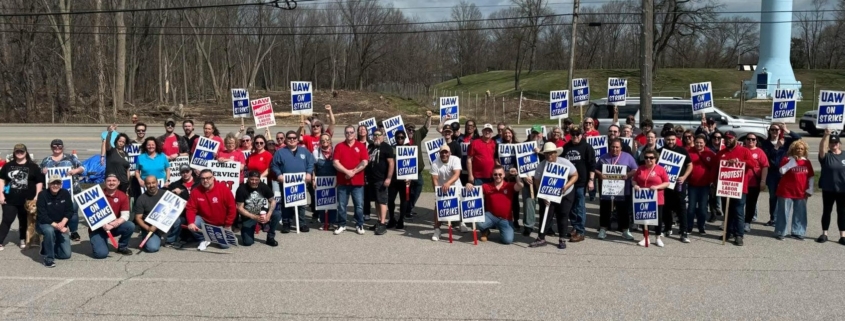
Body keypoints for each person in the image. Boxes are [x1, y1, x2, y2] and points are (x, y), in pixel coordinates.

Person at [527, 142, 578, 249]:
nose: (549, 155)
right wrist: (542, 196)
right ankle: (541, 238)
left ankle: (562, 239)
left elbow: (575, 175)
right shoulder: (541, 166)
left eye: (551, 153)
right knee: (546, 215)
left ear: (556, 153)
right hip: (548, 195)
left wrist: (566, 186)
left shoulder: (564, 162)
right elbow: (537, 181)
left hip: (566, 193)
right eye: (546, 153)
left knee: (563, 215)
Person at [716, 131, 757, 246]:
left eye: (730, 138)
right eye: (726, 138)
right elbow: (715, 168)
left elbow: (753, 164)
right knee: (727, 211)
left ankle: (739, 235)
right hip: (725, 187)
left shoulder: (744, 151)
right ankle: (728, 232)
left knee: (738, 212)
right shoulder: (721, 153)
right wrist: (714, 182)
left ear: (735, 138)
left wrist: (739, 161)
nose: (728, 140)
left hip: (739, 188)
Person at [0, 144, 43, 250]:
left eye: (22, 151)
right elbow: (1, 179)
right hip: (10, 199)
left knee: (24, 219)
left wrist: (37, 195)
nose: (19, 153)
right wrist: (0, 194)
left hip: (27, 200)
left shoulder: (33, 167)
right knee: (7, 219)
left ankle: (23, 239)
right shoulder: (8, 166)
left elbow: (39, 182)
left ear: (26, 153)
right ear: (14, 153)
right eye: (17, 151)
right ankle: (0, 241)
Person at [40, 138, 84, 242]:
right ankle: (56, 228)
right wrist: (43, 171)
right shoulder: (46, 160)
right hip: (53, 192)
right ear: (51, 147)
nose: (57, 148)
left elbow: (82, 168)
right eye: (54, 146)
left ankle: (74, 231)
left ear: (62, 147)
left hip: (71, 190)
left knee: (73, 211)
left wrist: (74, 171)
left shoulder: (70, 158)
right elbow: (39, 171)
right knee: (54, 211)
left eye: (59, 146)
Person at [271, 130, 314, 233]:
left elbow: (311, 163)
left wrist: (309, 173)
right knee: (286, 204)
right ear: (286, 140)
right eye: (289, 138)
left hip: (301, 182)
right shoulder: (280, 152)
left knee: (301, 203)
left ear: (297, 139)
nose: (292, 140)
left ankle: (302, 223)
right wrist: (279, 174)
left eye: (294, 138)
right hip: (286, 182)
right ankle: (286, 224)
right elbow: (274, 165)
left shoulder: (304, 151)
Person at [595, 139, 638, 240]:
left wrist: (628, 174)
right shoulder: (603, 157)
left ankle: (625, 230)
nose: (614, 149)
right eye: (613, 147)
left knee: (623, 211)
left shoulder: (628, 157)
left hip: (623, 189)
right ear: (610, 147)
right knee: (605, 209)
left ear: (621, 148)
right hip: (607, 189)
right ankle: (603, 229)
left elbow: (635, 169)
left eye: (617, 147)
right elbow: (595, 168)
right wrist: (600, 174)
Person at [759, 123, 801, 226]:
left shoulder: (786, 141)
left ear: (780, 131)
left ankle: (781, 218)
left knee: (783, 197)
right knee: (773, 196)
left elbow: (798, 138)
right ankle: (773, 218)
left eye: (777, 130)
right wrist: (777, 147)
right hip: (772, 173)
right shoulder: (765, 143)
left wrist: (786, 130)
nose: (774, 132)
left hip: (784, 172)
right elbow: (767, 157)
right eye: (772, 130)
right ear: (769, 131)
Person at [187, 169, 237, 251]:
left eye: (208, 178)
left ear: (213, 178)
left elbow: (232, 208)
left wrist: (228, 225)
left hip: (222, 224)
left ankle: (222, 235)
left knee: (225, 246)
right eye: (203, 178)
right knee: (194, 222)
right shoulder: (196, 191)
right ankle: (203, 239)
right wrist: (191, 222)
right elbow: (191, 208)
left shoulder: (224, 190)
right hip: (205, 221)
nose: (205, 180)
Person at [656, 130, 693, 243]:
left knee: (681, 208)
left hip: (679, 184)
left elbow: (690, 165)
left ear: (676, 139)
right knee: (666, 206)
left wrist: (684, 177)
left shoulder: (682, 150)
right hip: (665, 184)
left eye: (672, 139)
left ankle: (684, 232)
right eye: (668, 140)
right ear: (664, 140)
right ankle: (667, 228)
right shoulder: (659, 151)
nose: (671, 142)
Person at [472, 166, 524, 244]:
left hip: (505, 219)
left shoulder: (509, 185)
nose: (498, 176)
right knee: (479, 222)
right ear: (492, 175)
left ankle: (503, 231)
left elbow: (520, 185)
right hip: (491, 216)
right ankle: (485, 231)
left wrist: (516, 175)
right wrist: (468, 185)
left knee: (507, 240)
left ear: (504, 175)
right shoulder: (486, 186)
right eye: (495, 174)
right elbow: (474, 191)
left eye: (500, 174)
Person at [332, 125, 369, 235]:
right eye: (347, 132)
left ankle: (359, 224)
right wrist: (346, 172)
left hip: (357, 182)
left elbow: (365, 162)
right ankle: (342, 224)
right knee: (342, 206)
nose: (349, 134)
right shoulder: (339, 146)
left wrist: (353, 172)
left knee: (359, 205)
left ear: (354, 133)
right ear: (345, 134)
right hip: (343, 182)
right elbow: (335, 162)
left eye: (351, 132)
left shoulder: (360, 146)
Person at [774, 140, 813, 241]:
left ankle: (798, 232)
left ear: (804, 150)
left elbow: (811, 177)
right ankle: (781, 232)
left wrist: (810, 189)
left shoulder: (806, 162)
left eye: (801, 149)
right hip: (786, 190)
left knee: (800, 213)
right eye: (797, 149)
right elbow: (781, 171)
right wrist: (792, 162)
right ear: (793, 150)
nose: (799, 150)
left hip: (801, 191)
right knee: (783, 212)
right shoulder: (787, 159)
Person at [632, 149, 670, 247]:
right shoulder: (640, 168)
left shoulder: (661, 169)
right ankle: (646, 238)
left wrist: (657, 187)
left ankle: (658, 237)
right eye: (646, 158)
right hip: (643, 197)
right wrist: (635, 185)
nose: (649, 160)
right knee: (645, 218)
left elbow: (667, 182)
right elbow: (634, 180)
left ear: (656, 159)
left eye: (651, 158)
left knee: (658, 218)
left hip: (657, 197)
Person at [90, 174, 135, 258]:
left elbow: (125, 215)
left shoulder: (123, 196)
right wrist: (102, 224)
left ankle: (122, 247)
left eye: (114, 181)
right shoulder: (96, 195)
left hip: (113, 227)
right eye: (109, 180)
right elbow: (89, 214)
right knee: (101, 254)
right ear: (104, 182)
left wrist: (113, 224)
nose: (111, 183)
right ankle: (100, 242)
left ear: (118, 183)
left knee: (130, 225)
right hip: (98, 229)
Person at [562, 128, 594, 242]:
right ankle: (575, 227)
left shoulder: (587, 147)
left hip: (581, 182)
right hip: (569, 182)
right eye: (573, 134)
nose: (575, 136)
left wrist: (591, 180)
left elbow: (592, 165)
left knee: (580, 207)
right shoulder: (566, 147)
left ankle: (580, 232)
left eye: (577, 134)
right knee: (570, 207)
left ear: (581, 135)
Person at [134, 176, 181, 252]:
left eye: (153, 183)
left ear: (157, 183)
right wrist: (147, 228)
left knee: (177, 220)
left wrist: (178, 194)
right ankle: (147, 236)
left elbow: (176, 206)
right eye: (148, 183)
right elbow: (138, 218)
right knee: (152, 248)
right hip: (150, 227)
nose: (151, 185)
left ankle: (169, 240)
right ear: (145, 185)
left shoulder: (165, 194)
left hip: (163, 222)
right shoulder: (141, 199)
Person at [36, 175, 74, 267]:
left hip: (60, 224)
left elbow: (70, 211)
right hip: (46, 223)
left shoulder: (65, 193)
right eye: (53, 183)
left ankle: (47, 246)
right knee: (49, 231)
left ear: (61, 184)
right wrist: (58, 226)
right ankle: (49, 258)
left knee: (66, 255)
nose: (55, 185)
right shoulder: (42, 195)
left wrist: (63, 223)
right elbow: (42, 215)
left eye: (58, 183)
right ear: (49, 184)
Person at [429, 144, 462, 241]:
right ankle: (437, 229)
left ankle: (461, 222)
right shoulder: (435, 163)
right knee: (438, 206)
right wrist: (437, 191)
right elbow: (434, 179)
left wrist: (448, 183)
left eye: (446, 152)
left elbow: (457, 174)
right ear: (439, 153)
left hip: (455, 187)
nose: (444, 154)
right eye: (442, 152)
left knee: (460, 206)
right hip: (442, 188)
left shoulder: (455, 159)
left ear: (450, 153)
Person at [817, 129, 845, 245]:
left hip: (842, 189)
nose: (834, 144)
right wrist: (825, 135)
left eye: (836, 142)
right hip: (828, 188)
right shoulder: (826, 156)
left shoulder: (844, 155)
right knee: (827, 211)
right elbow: (821, 149)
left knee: (842, 212)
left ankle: (842, 236)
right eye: (832, 143)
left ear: (839, 143)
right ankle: (824, 233)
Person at [236, 171, 279, 246]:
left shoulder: (263, 186)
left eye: (256, 180)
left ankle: (270, 237)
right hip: (249, 215)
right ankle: (248, 229)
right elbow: (240, 208)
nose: (254, 182)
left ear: (259, 180)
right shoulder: (241, 189)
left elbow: (273, 201)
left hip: (262, 212)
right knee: (248, 242)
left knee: (277, 214)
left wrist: (269, 214)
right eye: (252, 179)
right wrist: (254, 217)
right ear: (248, 179)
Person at [365, 129, 394, 234]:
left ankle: (383, 223)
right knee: (376, 201)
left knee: (382, 201)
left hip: (381, 179)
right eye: (375, 135)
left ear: (383, 136)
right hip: (372, 179)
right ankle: (378, 220)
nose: (376, 136)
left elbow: (391, 163)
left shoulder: (387, 148)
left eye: (379, 135)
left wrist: (389, 178)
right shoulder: (371, 147)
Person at [405, 111, 432, 219]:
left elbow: (426, 128)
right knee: (406, 191)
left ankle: (410, 207)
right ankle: (406, 211)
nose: (411, 131)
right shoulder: (402, 138)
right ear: (405, 130)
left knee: (418, 186)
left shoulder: (417, 135)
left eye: (412, 129)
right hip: (406, 171)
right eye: (409, 129)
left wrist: (428, 117)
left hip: (417, 170)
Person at [387, 131, 416, 230]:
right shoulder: (391, 149)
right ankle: (391, 219)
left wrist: (410, 178)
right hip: (393, 178)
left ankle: (401, 220)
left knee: (404, 200)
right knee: (390, 200)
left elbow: (412, 165)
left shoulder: (409, 149)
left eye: (402, 138)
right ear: (395, 138)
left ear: (405, 138)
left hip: (404, 179)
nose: (400, 139)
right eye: (398, 137)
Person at [687, 135, 716, 234]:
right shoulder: (689, 152)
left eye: (701, 142)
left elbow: (714, 169)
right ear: (694, 142)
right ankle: (689, 227)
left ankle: (701, 226)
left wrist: (713, 182)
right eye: (697, 142)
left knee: (703, 208)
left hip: (705, 185)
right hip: (692, 185)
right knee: (691, 207)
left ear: (705, 143)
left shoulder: (710, 154)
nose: (699, 144)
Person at [743, 133, 769, 232]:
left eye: (753, 139)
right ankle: (736, 221)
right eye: (748, 139)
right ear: (745, 140)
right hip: (740, 183)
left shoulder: (759, 152)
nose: (751, 141)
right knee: (739, 204)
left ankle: (747, 222)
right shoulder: (741, 150)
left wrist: (763, 181)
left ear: (756, 141)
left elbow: (765, 167)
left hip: (753, 183)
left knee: (751, 204)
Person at [313, 133, 339, 230]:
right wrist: (313, 179)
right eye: (322, 140)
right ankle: (323, 222)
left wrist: (338, 179)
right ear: (320, 142)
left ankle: (331, 222)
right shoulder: (316, 152)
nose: (325, 141)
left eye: (327, 140)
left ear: (330, 141)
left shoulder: (335, 151)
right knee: (322, 201)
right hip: (321, 181)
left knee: (333, 202)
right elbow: (313, 168)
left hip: (333, 180)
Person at [102, 125, 131, 192]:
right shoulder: (111, 151)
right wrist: (110, 132)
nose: (121, 143)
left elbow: (127, 169)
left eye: (123, 142)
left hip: (124, 184)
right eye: (120, 141)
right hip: (113, 183)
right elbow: (107, 143)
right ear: (116, 141)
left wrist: (128, 182)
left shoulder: (126, 154)